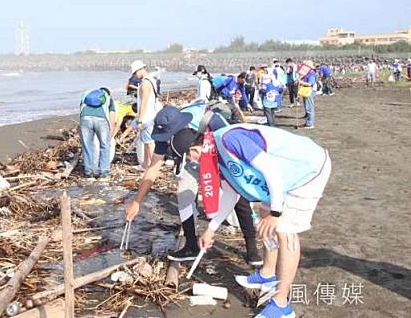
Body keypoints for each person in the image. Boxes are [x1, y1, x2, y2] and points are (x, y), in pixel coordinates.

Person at [193, 123, 332, 318]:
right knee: (264, 216)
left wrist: (276, 214)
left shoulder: (229, 140)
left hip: (307, 171)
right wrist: (211, 229)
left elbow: (272, 171)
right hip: (281, 178)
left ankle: (282, 306)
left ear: (195, 148)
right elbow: (230, 195)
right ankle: (267, 275)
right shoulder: (213, 156)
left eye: (189, 157)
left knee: (284, 231)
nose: (192, 164)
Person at [124, 106, 263, 265]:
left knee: (239, 197)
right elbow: (153, 169)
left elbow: (233, 143)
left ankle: (251, 247)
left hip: (217, 156)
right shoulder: (163, 133)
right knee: (184, 195)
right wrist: (137, 202)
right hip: (192, 161)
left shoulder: (210, 120)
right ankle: (191, 245)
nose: (166, 137)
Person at [79, 87, 117, 178]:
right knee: (104, 145)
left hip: (85, 118)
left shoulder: (86, 94)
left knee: (87, 146)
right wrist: (111, 129)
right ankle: (104, 172)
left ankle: (89, 172)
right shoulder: (108, 97)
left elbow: (81, 110)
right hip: (101, 120)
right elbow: (112, 114)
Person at [131, 60, 162, 170]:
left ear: (140, 70)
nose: (135, 75)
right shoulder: (150, 80)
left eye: (135, 73)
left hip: (147, 117)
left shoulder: (145, 84)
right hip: (150, 115)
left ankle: (154, 166)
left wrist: (140, 120)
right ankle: (145, 164)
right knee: (145, 140)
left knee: (149, 142)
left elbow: (144, 102)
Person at [298, 60, 317, 129]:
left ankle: (310, 124)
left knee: (309, 107)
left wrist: (301, 82)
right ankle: (308, 122)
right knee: (307, 106)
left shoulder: (311, 73)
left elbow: (310, 83)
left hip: (309, 91)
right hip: (306, 90)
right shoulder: (307, 73)